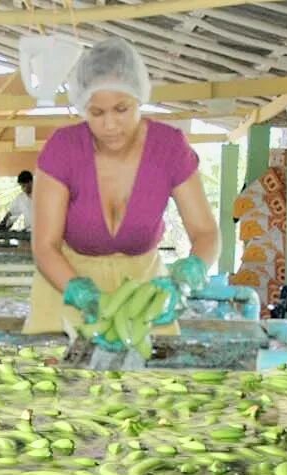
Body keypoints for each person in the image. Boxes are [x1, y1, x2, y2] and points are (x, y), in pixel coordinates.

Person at [23, 38, 219, 367]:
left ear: (139, 98)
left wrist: (187, 276)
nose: (110, 124)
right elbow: (45, 245)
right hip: (67, 283)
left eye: (122, 109)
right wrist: (78, 292)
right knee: (56, 388)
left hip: (142, 291)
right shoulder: (63, 149)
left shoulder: (169, 148)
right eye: (96, 112)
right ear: (82, 106)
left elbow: (206, 233)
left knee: (148, 391)